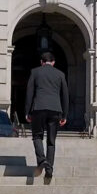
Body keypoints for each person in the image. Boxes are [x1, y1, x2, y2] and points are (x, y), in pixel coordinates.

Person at [25, 51, 69, 181]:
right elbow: (65, 95)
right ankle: (49, 169)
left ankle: (41, 159)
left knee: (37, 136)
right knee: (51, 141)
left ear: (41, 62)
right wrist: (64, 114)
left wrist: (27, 111)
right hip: (55, 109)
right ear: (53, 62)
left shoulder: (35, 72)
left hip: (38, 108)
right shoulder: (60, 74)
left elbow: (29, 93)